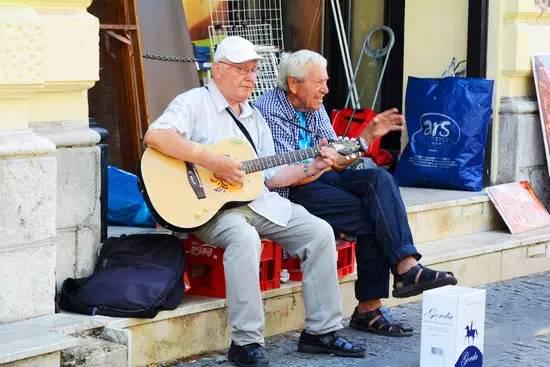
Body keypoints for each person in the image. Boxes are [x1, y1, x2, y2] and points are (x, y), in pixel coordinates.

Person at [143, 37, 365, 367]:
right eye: (241, 70)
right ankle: (246, 343)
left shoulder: (254, 117)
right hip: (211, 209)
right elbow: (156, 136)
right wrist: (210, 160)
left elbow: (271, 176)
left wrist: (315, 165)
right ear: (217, 71)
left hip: (256, 201)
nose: (250, 78)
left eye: (253, 70)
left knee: (319, 232)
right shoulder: (193, 103)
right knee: (244, 239)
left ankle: (321, 332)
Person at [255, 50, 458, 338]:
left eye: (326, 82)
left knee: (379, 177)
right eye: (319, 83)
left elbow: (338, 157)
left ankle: (405, 266)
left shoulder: (314, 105)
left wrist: (368, 136)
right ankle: (372, 305)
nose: (326, 90)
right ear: (293, 84)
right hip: (294, 191)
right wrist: (327, 162)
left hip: (324, 178)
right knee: (375, 216)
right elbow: (291, 171)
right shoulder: (268, 110)